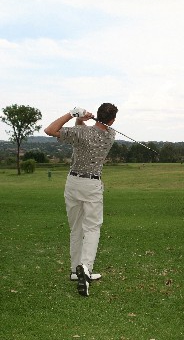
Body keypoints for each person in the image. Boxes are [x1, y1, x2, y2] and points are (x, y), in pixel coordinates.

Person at [44, 103, 118, 297]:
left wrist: (72, 114)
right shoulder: (110, 135)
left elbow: (50, 130)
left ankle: (76, 270)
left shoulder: (82, 134)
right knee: (92, 228)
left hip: (73, 182)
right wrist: (81, 120)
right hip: (92, 185)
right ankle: (84, 269)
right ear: (112, 120)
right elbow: (83, 133)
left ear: (98, 114)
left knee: (76, 227)